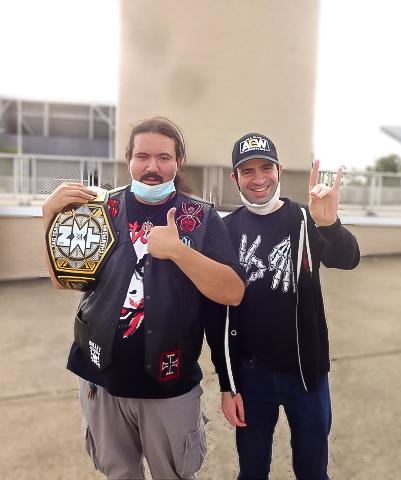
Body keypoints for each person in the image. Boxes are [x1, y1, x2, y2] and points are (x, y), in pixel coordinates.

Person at [42, 117, 245, 480]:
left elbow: (232, 291)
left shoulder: (201, 218)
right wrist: (48, 218)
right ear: (128, 159)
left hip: (170, 382)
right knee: (118, 473)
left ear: (178, 161)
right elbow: (64, 281)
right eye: (144, 156)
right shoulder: (99, 209)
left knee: (175, 474)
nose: (153, 167)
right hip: (100, 377)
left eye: (164, 157)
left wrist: (180, 252)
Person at [205, 133, 360, 480]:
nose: (258, 179)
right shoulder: (224, 231)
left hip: (307, 374)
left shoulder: (306, 220)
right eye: (247, 171)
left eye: (265, 168)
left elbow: (347, 258)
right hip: (251, 375)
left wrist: (330, 225)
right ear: (235, 178)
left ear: (279, 170)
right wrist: (228, 386)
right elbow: (216, 315)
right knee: (253, 470)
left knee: (312, 470)